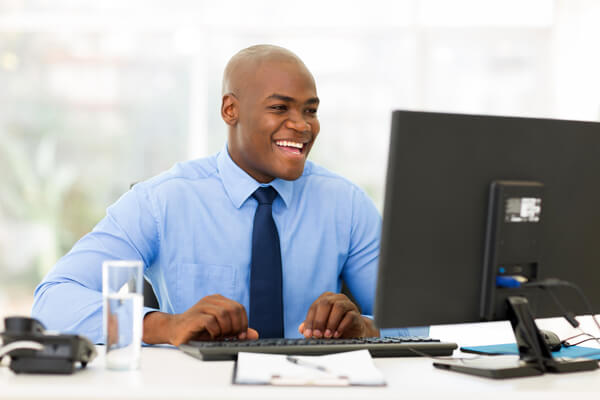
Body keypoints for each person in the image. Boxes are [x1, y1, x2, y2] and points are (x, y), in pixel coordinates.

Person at [32, 44, 426, 345]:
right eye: (280, 107)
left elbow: (416, 321)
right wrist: (166, 325)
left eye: (310, 110)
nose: (302, 126)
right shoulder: (162, 202)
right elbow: (52, 301)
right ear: (230, 110)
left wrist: (366, 327)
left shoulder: (346, 205)